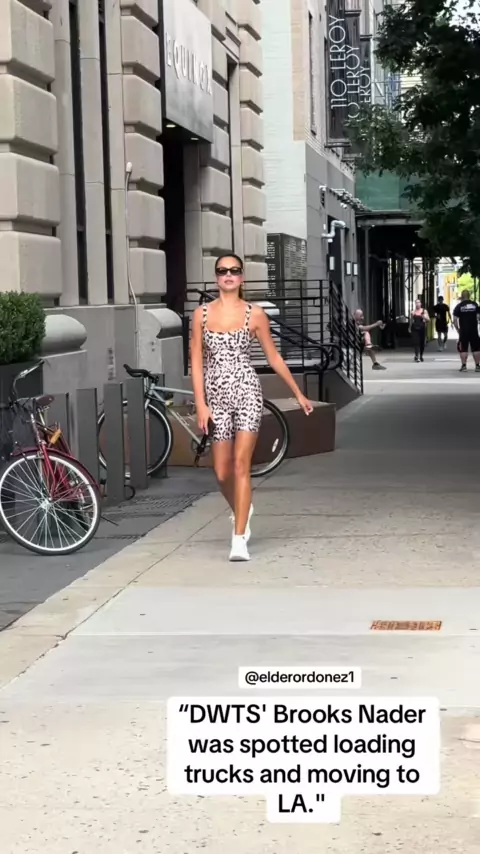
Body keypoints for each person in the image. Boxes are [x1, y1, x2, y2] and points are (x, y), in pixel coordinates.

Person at [190, 254, 313, 562]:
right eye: (222, 271)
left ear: (242, 277)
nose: (228, 275)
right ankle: (242, 509)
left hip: (247, 392)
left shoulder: (255, 314)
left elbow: (274, 357)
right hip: (216, 397)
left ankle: (239, 538)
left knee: (241, 465)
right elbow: (196, 360)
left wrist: (298, 393)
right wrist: (200, 404)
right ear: (216, 277)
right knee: (221, 473)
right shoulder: (201, 315)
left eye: (234, 270)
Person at [453, 289, 480, 373]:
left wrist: (458, 330)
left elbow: (455, 320)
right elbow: (478, 317)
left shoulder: (459, 306)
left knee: (463, 348)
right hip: (474, 330)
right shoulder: (475, 305)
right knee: (476, 348)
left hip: (463, 331)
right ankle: (477, 366)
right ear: (469, 296)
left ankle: (464, 366)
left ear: (462, 296)